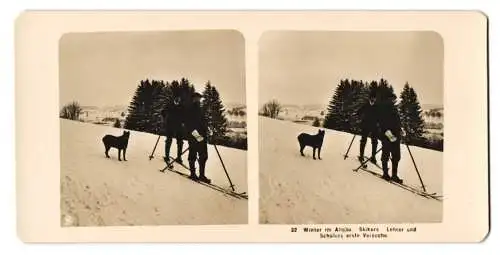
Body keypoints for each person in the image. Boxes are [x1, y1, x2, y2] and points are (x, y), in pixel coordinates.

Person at [184, 92, 211, 183]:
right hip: (193, 135)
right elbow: (188, 124)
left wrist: (207, 129)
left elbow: (203, 121)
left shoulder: (200, 109)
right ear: (193, 98)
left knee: (204, 155)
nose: (198, 100)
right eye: (197, 98)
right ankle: (193, 174)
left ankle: (202, 175)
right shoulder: (189, 109)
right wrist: (197, 135)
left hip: (202, 135)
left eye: (199, 98)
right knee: (193, 155)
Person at [376, 100, 403, 184]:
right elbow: (382, 125)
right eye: (390, 100)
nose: (392, 102)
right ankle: (385, 174)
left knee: (396, 156)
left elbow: (398, 123)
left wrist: (401, 130)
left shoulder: (395, 111)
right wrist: (389, 135)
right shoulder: (383, 112)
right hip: (386, 137)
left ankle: (394, 175)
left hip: (396, 137)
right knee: (385, 155)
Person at [161, 94, 185, 165]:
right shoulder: (169, 105)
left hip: (179, 126)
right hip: (170, 125)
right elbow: (163, 112)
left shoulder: (182, 107)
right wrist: (165, 118)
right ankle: (167, 156)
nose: (178, 100)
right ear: (174, 99)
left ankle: (179, 157)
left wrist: (183, 121)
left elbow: (185, 115)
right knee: (169, 140)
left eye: (179, 99)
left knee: (180, 142)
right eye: (176, 98)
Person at [357, 92, 379, 164]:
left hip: (374, 126)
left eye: (374, 98)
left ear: (375, 99)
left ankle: (373, 157)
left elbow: (380, 116)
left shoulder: (377, 106)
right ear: (370, 98)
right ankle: (361, 155)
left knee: (375, 142)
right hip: (365, 125)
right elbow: (359, 112)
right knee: (363, 140)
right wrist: (358, 117)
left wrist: (379, 123)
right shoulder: (366, 105)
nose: (373, 99)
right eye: (372, 98)